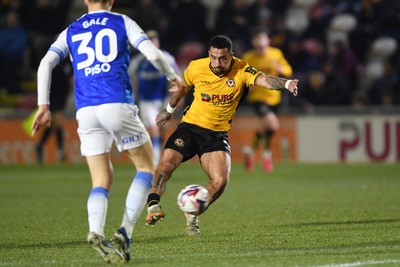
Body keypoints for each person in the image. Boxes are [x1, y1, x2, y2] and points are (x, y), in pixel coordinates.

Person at [31, 0, 183, 264]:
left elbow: (45, 63)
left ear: (85, 1)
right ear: (111, 0)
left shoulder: (71, 29)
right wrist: (173, 77)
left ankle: (96, 231)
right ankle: (125, 229)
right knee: (147, 167)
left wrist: (43, 105)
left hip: (86, 110)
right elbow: (154, 54)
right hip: (117, 103)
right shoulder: (122, 22)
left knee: (101, 180)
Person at [145, 35, 298, 236]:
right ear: (209, 55)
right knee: (165, 165)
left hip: (216, 135)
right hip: (189, 128)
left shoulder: (241, 69)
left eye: (223, 58)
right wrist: (169, 109)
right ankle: (153, 206)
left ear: (231, 56)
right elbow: (183, 87)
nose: (217, 63)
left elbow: (265, 80)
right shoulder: (196, 67)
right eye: (214, 58)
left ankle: (192, 211)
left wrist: (286, 84)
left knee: (220, 182)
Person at [241, 27, 293, 173]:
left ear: (267, 40)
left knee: (265, 127)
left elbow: (288, 70)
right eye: (257, 38)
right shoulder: (249, 58)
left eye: (262, 38)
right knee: (273, 125)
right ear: (253, 42)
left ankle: (250, 152)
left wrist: (281, 69)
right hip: (258, 97)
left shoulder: (276, 54)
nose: (260, 41)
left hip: (275, 97)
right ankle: (267, 155)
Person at [129, 29, 180, 164]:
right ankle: (156, 159)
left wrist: (177, 97)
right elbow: (128, 77)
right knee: (152, 129)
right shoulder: (138, 61)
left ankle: (158, 158)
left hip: (163, 100)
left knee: (159, 129)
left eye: (154, 41)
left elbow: (177, 76)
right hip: (146, 101)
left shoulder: (166, 58)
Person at [35, 58, 72, 163]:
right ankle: (61, 152)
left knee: (53, 125)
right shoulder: (54, 60)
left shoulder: (68, 61)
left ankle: (40, 145)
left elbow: (70, 78)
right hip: (53, 98)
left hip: (62, 98)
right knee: (59, 123)